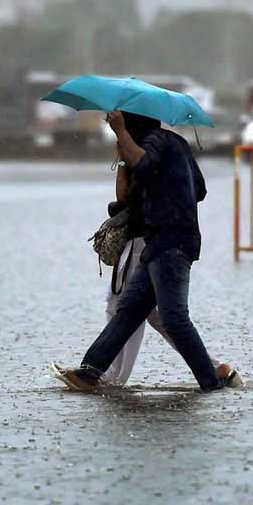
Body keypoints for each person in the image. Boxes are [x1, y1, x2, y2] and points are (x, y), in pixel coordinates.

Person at [58, 110, 228, 392]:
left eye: (124, 124)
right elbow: (195, 189)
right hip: (158, 242)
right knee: (128, 311)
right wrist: (131, 157)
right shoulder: (172, 146)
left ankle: (212, 381)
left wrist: (121, 132)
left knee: (173, 318)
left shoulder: (158, 142)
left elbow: (146, 163)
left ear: (133, 124)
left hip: (173, 243)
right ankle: (89, 373)